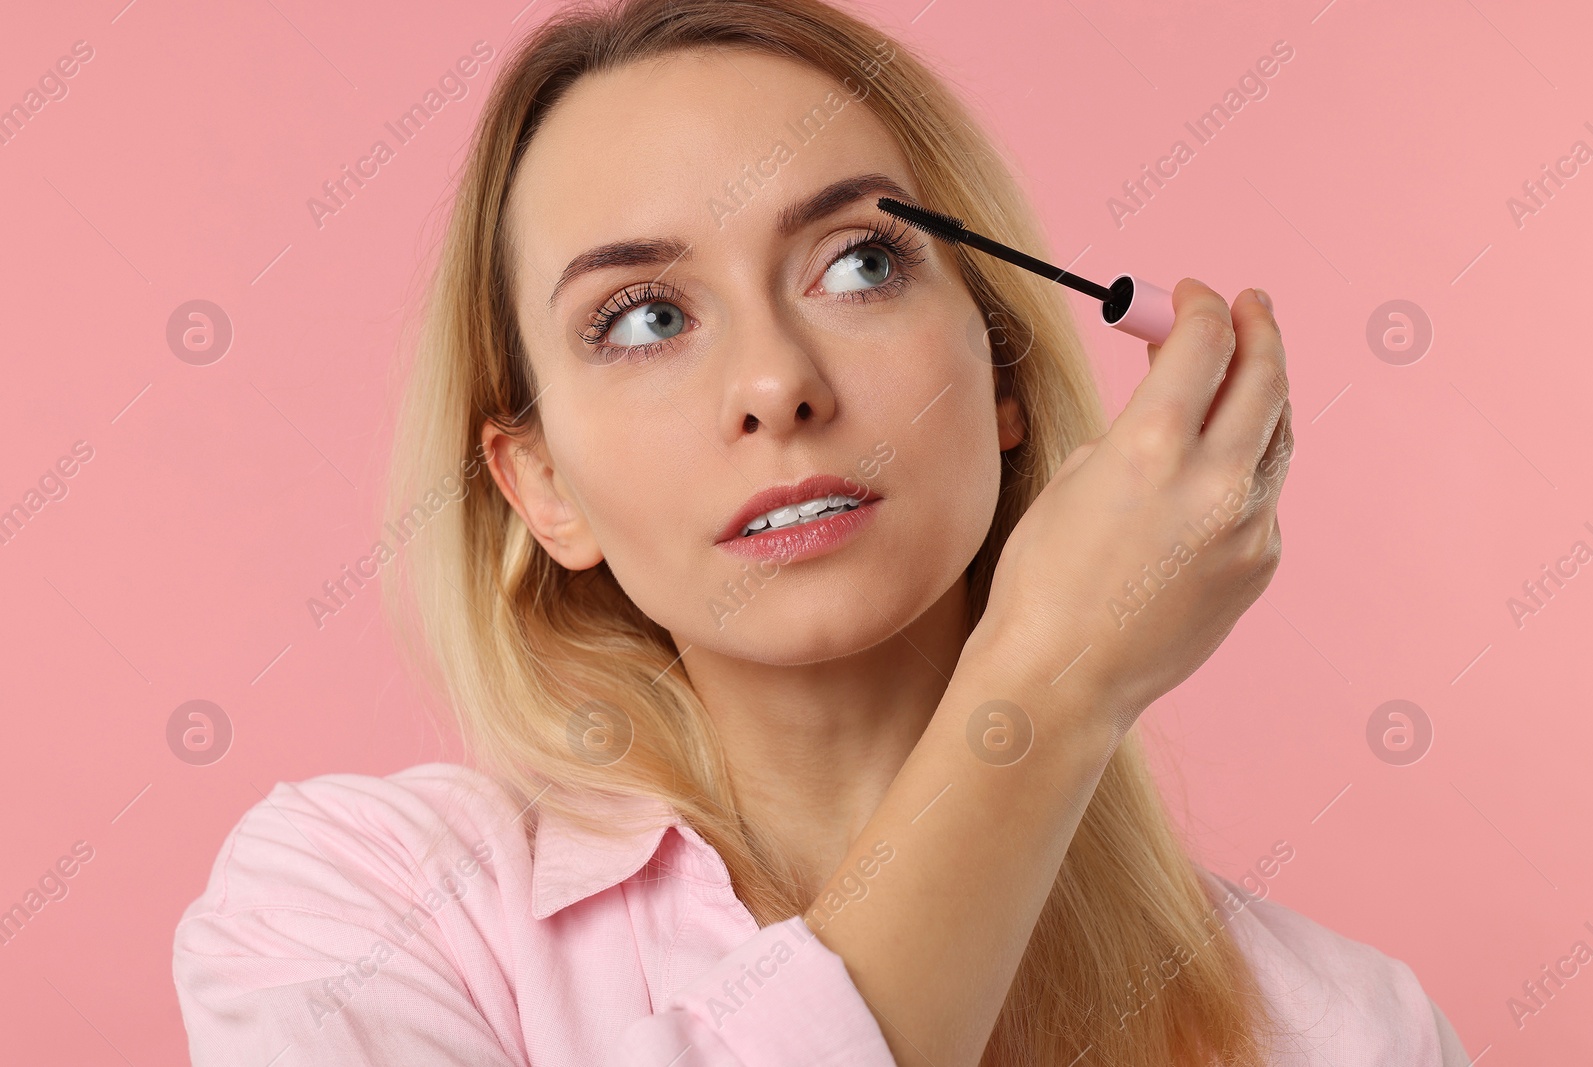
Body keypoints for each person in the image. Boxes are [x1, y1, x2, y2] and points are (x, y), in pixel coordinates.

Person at [171, 0, 1471, 1063]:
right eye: (643, 317)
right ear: (539, 485)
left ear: (1005, 369)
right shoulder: (360, 912)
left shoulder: (1346, 1033)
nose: (774, 384)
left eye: (858, 262)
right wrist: (1052, 689)